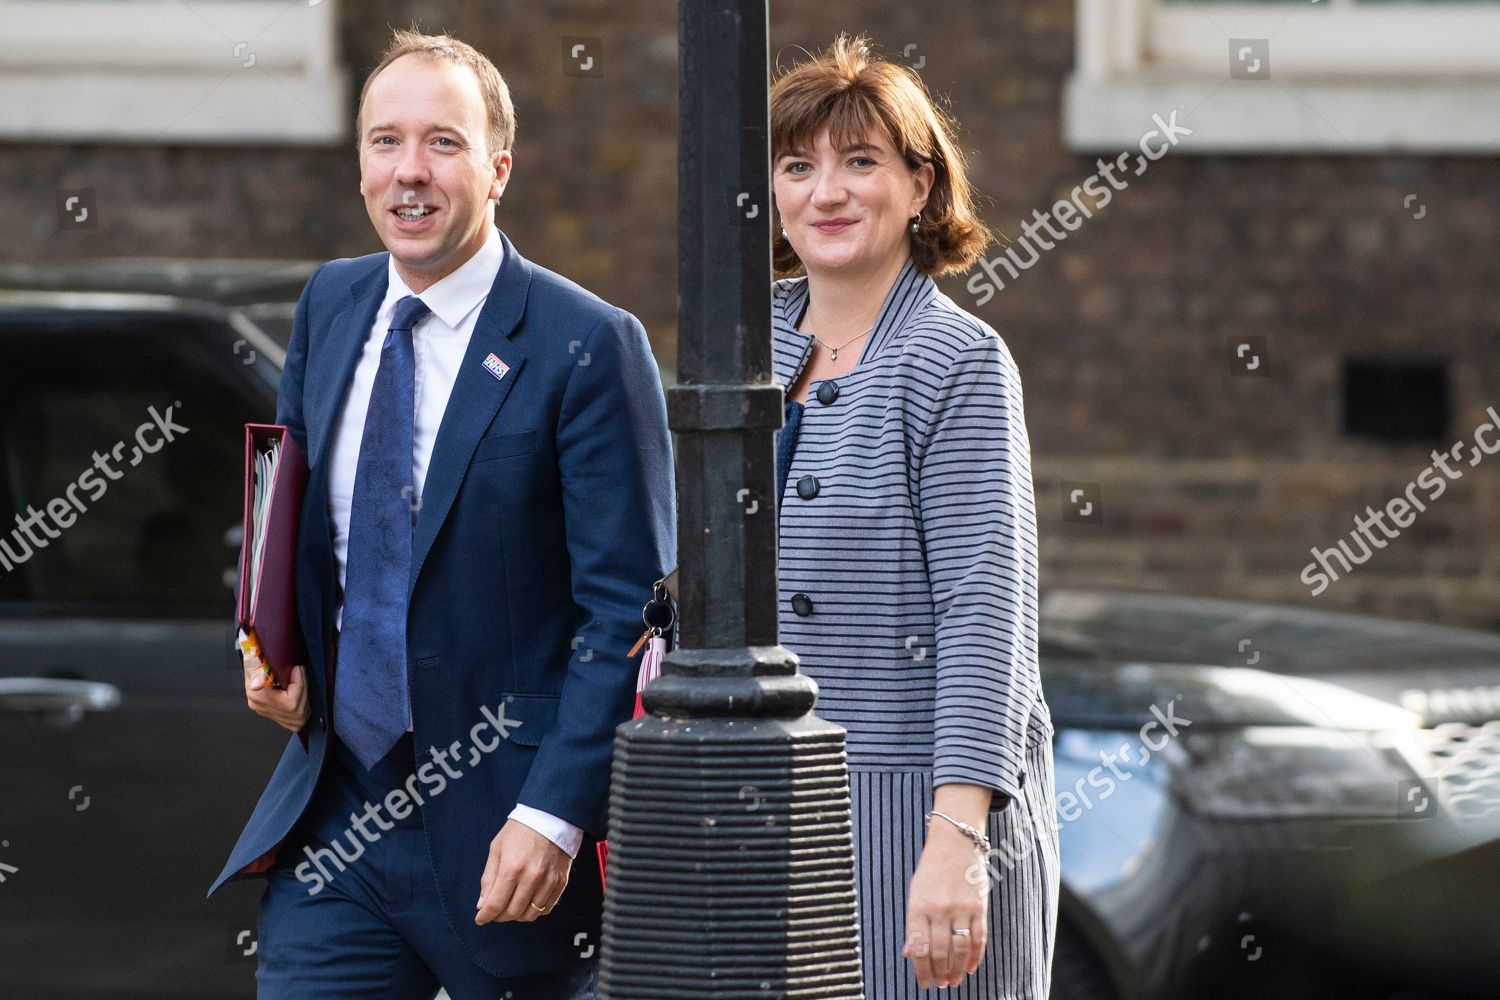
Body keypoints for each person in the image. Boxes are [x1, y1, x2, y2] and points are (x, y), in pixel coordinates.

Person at [207, 30, 674, 1000]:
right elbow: (288, 516)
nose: (409, 173)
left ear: (499, 168)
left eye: (443, 143)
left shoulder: (588, 345)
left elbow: (628, 612)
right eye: (386, 142)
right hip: (336, 819)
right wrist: (265, 643)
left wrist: (554, 813)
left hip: (507, 843)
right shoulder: (330, 304)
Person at [769, 35, 1059, 998]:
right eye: (798, 165)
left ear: (921, 186)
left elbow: (990, 614)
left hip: (924, 808)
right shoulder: (741, 344)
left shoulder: (959, 362)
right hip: (770, 808)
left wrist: (957, 838)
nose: (827, 192)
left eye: (861, 162)